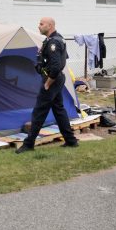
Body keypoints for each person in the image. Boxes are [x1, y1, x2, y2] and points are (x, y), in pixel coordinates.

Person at [16, 17, 79, 154]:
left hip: (52, 80)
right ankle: (71, 140)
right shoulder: (57, 39)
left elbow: (56, 66)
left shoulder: (54, 42)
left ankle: (29, 144)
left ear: (50, 26)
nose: (38, 26)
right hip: (56, 79)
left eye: (41, 24)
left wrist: (48, 83)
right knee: (59, 109)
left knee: (39, 111)